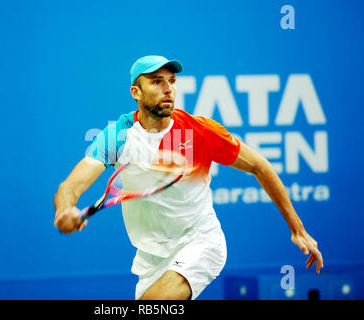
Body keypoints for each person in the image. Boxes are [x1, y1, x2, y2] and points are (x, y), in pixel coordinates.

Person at [53, 55, 323, 300]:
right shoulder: (117, 137)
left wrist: (297, 229)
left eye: (172, 81)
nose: (168, 88)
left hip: (200, 242)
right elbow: (72, 184)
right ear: (135, 92)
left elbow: (260, 166)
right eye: (157, 82)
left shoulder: (199, 131)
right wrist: (64, 209)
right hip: (151, 258)